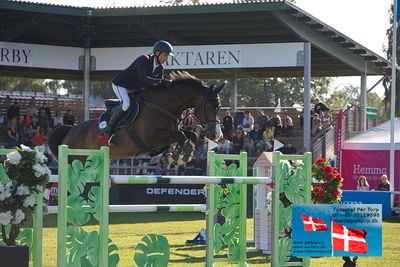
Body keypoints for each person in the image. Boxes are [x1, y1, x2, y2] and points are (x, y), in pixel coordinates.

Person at [101, 40, 174, 145]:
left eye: (168, 56)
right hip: (121, 84)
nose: (166, 58)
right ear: (157, 53)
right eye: (165, 55)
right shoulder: (143, 59)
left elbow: (155, 88)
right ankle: (108, 130)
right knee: (126, 103)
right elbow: (144, 79)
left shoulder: (160, 69)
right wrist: (162, 82)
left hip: (134, 88)